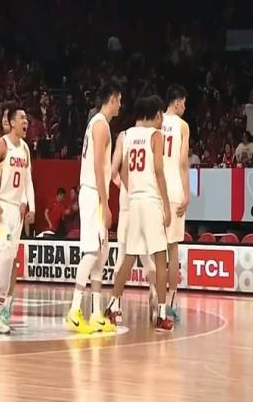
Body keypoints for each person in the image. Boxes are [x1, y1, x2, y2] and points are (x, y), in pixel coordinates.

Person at [105, 95, 174, 332]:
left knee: (129, 257)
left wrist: (133, 189)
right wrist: (166, 205)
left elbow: (123, 171)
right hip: (151, 201)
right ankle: (162, 314)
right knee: (160, 258)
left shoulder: (128, 135)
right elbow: (158, 170)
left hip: (133, 202)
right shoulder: (156, 135)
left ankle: (113, 305)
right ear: (157, 114)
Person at [66, 82, 121, 334]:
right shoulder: (100, 125)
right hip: (93, 193)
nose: (121, 105)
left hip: (94, 192)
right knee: (91, 252)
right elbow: (99, 166)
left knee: (101, 253)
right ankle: (74, 310)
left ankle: (97, 313)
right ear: (113, 99)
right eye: (119, 100)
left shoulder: (96, 123)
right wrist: (105, 203)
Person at [0, 106, 35, 333]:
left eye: (27, 118)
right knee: (0, 255)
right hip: (1, 207)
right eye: (22, 118)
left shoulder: (25, 148)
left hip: (16, 211)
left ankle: (2, 310)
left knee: (11, 260)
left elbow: (27, 179)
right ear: (12, 122)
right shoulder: (2, 145)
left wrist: (31, 205)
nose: (26, 122)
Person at [110, 128, 157, 325]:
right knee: (148, 256)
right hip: (145, 202)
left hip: (128, 204)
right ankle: (154, 293)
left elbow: (113, 172)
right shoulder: (153, 135)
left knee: (122, 257)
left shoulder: (124, 136)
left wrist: (124, 187)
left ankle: (116, 305)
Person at [162, 84, 190, 322]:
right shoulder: (182, 126)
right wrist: (187, 193)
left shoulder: (155, 121)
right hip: (173, 190)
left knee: (155, 250)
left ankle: (156, 299)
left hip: (155, 191)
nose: (185, 108)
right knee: (172, 250)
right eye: (185, 103)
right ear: (178, 102)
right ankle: (171, 302)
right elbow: (182, 164)